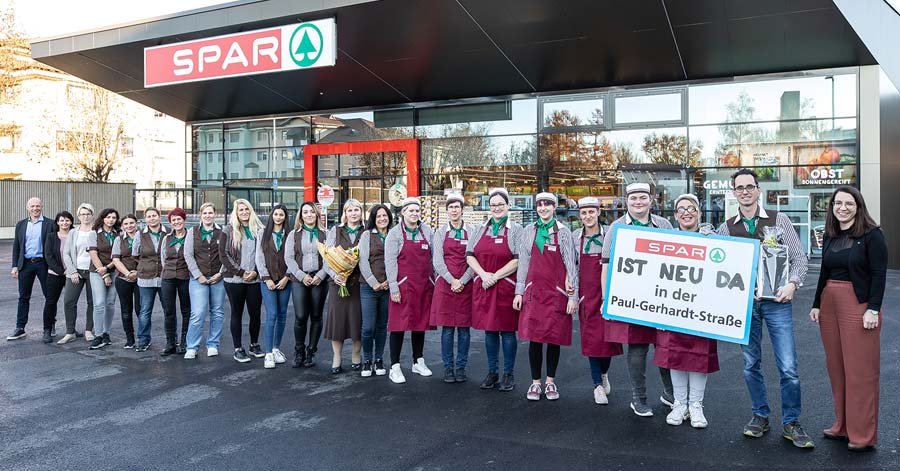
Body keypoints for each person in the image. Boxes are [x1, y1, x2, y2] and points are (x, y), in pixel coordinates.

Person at [716, 168, 813, 448]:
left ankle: (792, 422)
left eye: (749, 186)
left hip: (777, 304)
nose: (744, 191)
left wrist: (793, 285)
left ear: (758, 190)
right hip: (745, 307)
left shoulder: (779, 220)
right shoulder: (726, 227)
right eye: (739, 188)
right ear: (734, 193)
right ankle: (760, 415)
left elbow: (798, 258)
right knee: (750, 364)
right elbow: (717, 265)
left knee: (789, 366)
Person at [809, 186, 886, 451]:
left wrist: (873, 309)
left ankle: (862, 434)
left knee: (860, 372)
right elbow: (823, 271)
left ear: (858, 206)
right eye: (837, 203)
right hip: (830, 303)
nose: (842, 207)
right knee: (837, 369)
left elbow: (878, 274)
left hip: (859, 304)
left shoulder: (872, 235)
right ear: (831, 207)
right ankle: (841, 425)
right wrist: (816, 303)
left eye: (848, 203)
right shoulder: (830, 235)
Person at [601, 182, 674, 417]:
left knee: (664, 345)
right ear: (627, 201)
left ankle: (670, 394)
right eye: (633, 198)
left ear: (651, 201)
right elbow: (606, 266)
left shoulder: (663, 225)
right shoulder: (616, 227)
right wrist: (606, 298)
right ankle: (638, 398)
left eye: (643, 198)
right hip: (630, 298)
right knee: (638, 348)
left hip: (660, 296)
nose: (638, 202)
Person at [654, 194, 718, 428]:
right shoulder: (665, 239)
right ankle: (680, 404)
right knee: (675, 355)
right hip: (672, 307)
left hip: (702, 310)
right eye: (681, 209)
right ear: (675, 215)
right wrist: (656, 312)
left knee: (699, 356)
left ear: (700, 213)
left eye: (691, 208)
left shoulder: (712, 239)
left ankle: (696, 405)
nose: (686, 212)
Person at [513, 192, 578, 401]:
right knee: (535, 339)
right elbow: (523, 262)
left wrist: (572, 296)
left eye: (547, 205)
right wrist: (519, 291)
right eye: (540, 205)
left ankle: (550, 381)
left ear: (554, 207)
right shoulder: (529, 231)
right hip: (534, 293)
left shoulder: (564, 232)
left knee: (553, 338)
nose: (543, 208)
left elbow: (571, 265)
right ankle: (535, 383)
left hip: (556, 293)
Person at [466, 188, 524, 392]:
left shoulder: (516, 229)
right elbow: (469, 255)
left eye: (501, 204)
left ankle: (508, 373)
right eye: (493, 205)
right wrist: (483, 275)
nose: (497, 208)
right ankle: (492, 372)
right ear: (489, 208)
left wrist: (495, 276)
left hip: (505, 286)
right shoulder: (480, 229)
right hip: (485, 285)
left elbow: (519, 259)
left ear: (508, 205)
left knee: (507, 332)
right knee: (489, 331)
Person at [573, 197, 622, 405]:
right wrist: (572, 293)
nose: (587, 217)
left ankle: (604, 373)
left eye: (591, 212)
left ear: (598, 212)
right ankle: (597, 385)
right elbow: (571, 266)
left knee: (607, 341)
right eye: (583, 213)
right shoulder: (575, 237)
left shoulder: (610, 235)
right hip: (586, 296)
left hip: (606, 294)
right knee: (592, 341)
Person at [384, 197, 435, 384]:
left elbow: (434, 257)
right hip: (403, 286)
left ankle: (418, 360)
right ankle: (395, 366)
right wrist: (393, 287)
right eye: (410, 210)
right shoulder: (395, 234)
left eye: (417, 210)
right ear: (403, 212)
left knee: (419, 324)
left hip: (423, 286)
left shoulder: (428, 231)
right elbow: (389, 262)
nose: (414, 213)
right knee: (398, 326)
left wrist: (434, 281)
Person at [430, 194, 476, 384]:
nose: (454, 210)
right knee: (447, 329)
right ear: (446, 211)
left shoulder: (472, 231)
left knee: (464, 330)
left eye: (457, 207)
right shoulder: (440, 232)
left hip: (466, 285)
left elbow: (475, 259)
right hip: (446, 285)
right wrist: (452, 280)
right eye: (451, 208)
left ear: (462, 209)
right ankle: (448, 368)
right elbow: (437, 260)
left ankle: (461, 367)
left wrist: (463, 280)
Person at [219, 199, 264, 363]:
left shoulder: (259, 230)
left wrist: (256, 272)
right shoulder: (228, 230)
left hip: (255, 279)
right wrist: (241, 272)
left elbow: (264, 254)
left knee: (255, 314)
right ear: (236, 213)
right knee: (236, 314)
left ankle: (254, 345)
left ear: (251, 211)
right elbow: (223, 255)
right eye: (240, 210)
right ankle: (238, 348)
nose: (244, 212)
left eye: (246, 209)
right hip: (234, 280)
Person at [323, 199, 364, 374]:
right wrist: (335, 275)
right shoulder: (336, 230)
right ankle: (337, 357)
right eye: (350, 210)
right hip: (338, 283)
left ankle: (356, 354)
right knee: (337, 322)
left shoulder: (366, 231)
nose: (353, 213)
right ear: (345, 213)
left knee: (357, 321)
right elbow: (326, 256)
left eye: (356, 210)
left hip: (358, 284)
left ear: (361, 212)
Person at [285, 201, 327, 368]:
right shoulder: (293, 234)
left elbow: (330, 258)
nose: (309, 215)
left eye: (311, 212)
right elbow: (288, 258)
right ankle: (299, 350)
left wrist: (321, 275)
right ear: (301, 216)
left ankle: (311, 351)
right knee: (301, 316)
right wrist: (301, 276)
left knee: (316, 316)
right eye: (305, 212)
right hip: (299, 280)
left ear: (316, 214)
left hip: (319, 279)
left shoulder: (326, 234)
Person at [9, 197, 57, 340]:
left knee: (50, 296)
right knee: (23, 296)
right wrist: (14, 266)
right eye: (32, 206)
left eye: (37, 206)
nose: (35, 208)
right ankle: (20, 327)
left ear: (42, 206)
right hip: (26, 265)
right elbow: (17, 246)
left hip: (44, 264)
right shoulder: (21, 225)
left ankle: (50, 325)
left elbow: (55, 246)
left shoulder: (50, 224)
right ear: (27, 208)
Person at [183, 203, 226, 359]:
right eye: (205, 213)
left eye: (210, 213)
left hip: (217, 278)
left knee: (217, 312)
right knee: (198, 312)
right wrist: (197, 275)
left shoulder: (223, 232)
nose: (208, 215)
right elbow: (188, 255)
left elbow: (226, 255)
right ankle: (192, 346)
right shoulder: (192, 232)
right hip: (198, 279)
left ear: (215, 214)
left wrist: (220, 273)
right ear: (200, 215)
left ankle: (213, 344)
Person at [358, 204, 392, 377]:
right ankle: (367, 360)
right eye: (378, 216)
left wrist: (389, 282)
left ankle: (378, 360)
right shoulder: (366, 235)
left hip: (388, 288)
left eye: (385, 216)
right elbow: (362, 262)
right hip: (368, 287)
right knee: (368, 327)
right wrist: (374, 283)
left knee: (381, 326)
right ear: (373, 218)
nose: (382, 219)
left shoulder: (394, 234)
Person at [257, 204, 292, 369]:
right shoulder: (262, 234)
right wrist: (266, 278)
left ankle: (277, 348)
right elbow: (259, 258)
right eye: (276, 214)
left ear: (285, 218)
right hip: (268, 281)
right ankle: (268, 353)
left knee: (282, 314)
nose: (278, 217)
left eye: (282, 215)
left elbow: (293, 257)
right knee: (271, 315)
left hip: (285, 280)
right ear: (272, 216)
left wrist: (287, 277)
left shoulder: (290, 235)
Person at [133, 207, 168, 352]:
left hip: (165, 277)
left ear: (160, 217)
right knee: (145, 311)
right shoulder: (139, 234)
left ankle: (172, 339)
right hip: (146, 278)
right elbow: (135, 254)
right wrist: (145, 266)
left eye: (154, 215)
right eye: (149, 216)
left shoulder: (169, 232)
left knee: (169, 310)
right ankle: (143, 339)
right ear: (145, 219)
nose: (152, 218)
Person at [61, 203, 96, 344]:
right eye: (82, 214)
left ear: (92, 215)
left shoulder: (96, 231)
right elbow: (66, 254)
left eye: (88, 213)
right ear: (78, 216)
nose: (85, 216)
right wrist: (73, 271)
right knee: (69, 301)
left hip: (93, 271)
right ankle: (70, 332)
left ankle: (89, 330)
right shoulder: (73, 232)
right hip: (76, 272)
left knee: (92, 302)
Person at [159, 208, 192, 356]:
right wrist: (168, 272)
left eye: (179, 219)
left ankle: (184, 342)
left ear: (184, 220)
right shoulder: (167, 238)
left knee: (186, 311)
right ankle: (170, 342)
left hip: (185, 277)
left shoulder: (191, 236)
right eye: (174, 220)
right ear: (170, 222)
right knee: (169, 311)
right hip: (168, 277)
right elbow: (163, 258)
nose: (177, 222)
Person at [87, 208, 121, 349]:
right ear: (103, 218)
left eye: (113, 217)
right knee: (99, 303)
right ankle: (98, 335)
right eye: (108, 217)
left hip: (114, 270)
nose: (111, 220)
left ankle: (106, 333)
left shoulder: (119, 234)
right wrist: (104, 273)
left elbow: (120, 255)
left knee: (110, 303)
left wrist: (109, 268)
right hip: (97, 272)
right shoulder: (94, 233)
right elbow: (94, 255)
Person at [42, 211, 73, 343]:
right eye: (62, 220)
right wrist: (61, 271)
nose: (64, 223)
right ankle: (47, 330)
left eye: (67, 220)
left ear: (71, 222)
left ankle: (71, 329)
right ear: (57, 222)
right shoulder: (51, 236)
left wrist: (71, 270)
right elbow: (48, 256)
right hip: (55, 274)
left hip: (72, 274)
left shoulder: (74, 235)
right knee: (50, 302)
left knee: (71, 302)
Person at [111, 214, 141, 349]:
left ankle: (143, 338)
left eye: (132, 223)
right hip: (124, 278)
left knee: (141, 309)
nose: (129, 226)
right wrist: (128, 273)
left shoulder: (143, 237)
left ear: (137, 223)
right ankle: (130, 339)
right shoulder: (119, 240)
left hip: (142, 278)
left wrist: (138, 272)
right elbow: (116, 259)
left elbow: (148, 257)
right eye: (126, 224)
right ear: (122, 226)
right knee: (126, 310)